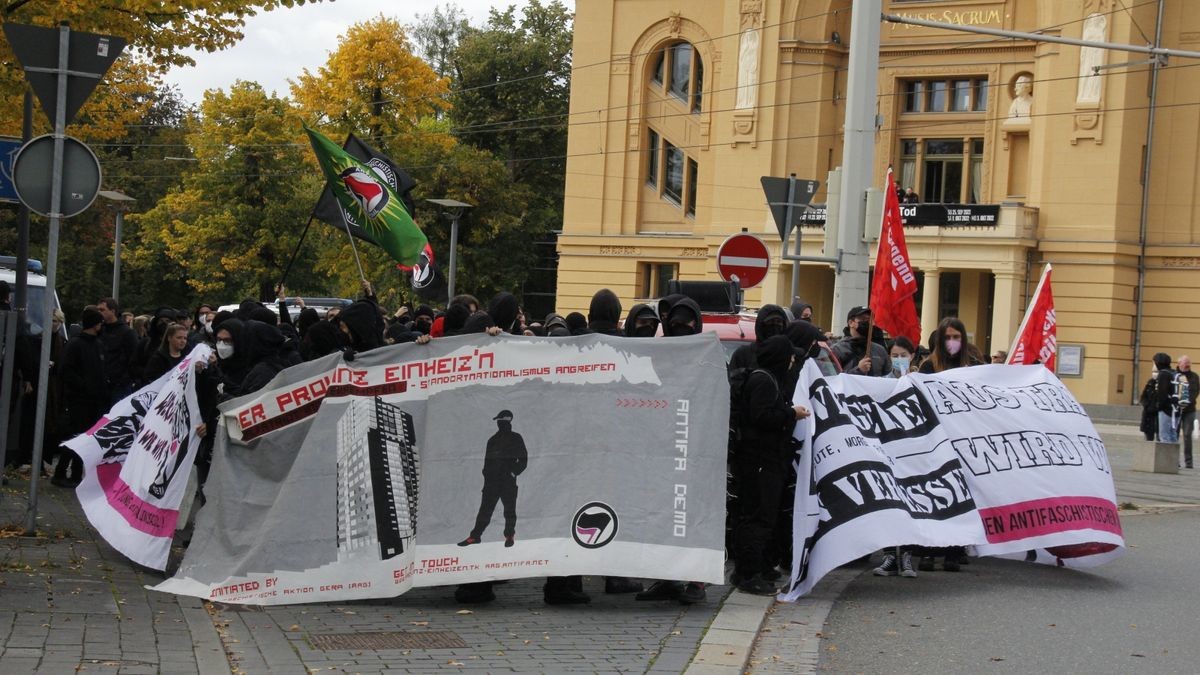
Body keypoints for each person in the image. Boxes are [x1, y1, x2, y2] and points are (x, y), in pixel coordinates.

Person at [730, 335, 809, 595]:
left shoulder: (767, 378)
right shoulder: (764, 381)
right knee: (758, 518)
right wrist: (791, 413)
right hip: (760, 461)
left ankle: (750, 569)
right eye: (790, 356)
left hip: (762, 460)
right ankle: (749, 574)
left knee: (757, 516)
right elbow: (762, 417)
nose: (793, 360)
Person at [917, 317, 984, 572]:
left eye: (957, 337)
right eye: (948, 337)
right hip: (935, 440)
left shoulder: (973, 366)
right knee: (934, 495)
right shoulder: (928, 367)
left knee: (962, 497)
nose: (952, 342)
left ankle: (954, 551)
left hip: (964, 441)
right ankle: (928, 551)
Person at [53, 308, 108, 487]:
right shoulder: (77, 344)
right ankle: (62, 472)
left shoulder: (97, 344)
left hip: (92, 399)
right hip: (78, 400)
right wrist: (83, 386)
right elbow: (66, 371)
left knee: (83, 437)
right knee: (75, 436)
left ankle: (76, 473)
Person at [96, 297, 138, 402]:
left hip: (120, 386)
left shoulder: (127, 333)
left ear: (113, 311)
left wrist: (124, 379)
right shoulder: (100, 330)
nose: (99, 313)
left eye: (102, 310)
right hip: (101, 385)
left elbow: (134, 358)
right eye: (98, 310)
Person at [831, 307, 890, 376]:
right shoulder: (837, 349)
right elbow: (833, 378)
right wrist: (859, 369)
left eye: (869, 320)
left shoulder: (880, 350)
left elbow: (888, 376)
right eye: (863, 319)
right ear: (851, 323)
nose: (867, 323)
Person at [729, 304, 788, 370]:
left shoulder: (789, 356)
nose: (774, 326)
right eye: (770, 322)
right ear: (761, 325)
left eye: (778, 322)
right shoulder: (743, 355)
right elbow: (734, 378)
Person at [1176, 356, 1198, 469]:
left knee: (1187, 436)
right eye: (1185, 363)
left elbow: (1194, 392)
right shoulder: (1174, 375)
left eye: (1189, 363)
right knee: (1173, 435)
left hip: (1189, 410)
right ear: (1179, 364)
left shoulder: (1194, 376)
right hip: (1176, 410)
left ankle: (1188, 462)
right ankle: (1174, 460)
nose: (1187, 365)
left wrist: (1185, 403)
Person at [1153, 352, 1178, 444]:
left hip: (1166, 410)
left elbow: (1162, 393)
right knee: (1173, 435)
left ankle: (1166, 458)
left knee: (1164, 436)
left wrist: (1159, 406)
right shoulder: (1174, 373)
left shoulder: (1163, 374)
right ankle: (1173, 457)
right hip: (1176, 409)